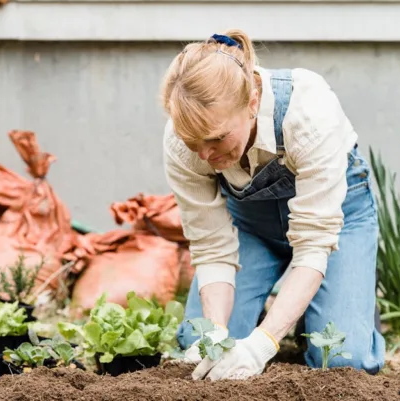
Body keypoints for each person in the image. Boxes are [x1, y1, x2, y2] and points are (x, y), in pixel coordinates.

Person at [158, 28, 386, 381]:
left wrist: (262, 345)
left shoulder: (308, 112)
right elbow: (212, 249)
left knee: (343, 360)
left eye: (217, 138)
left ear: (251, 102)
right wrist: (217, 335)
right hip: (252, 229)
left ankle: (335, 304)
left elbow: (312, 246)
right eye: (193, 142)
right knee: (199, 342)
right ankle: (293, 309)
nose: (205, 155)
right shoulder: (181, 141)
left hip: (338, 225)